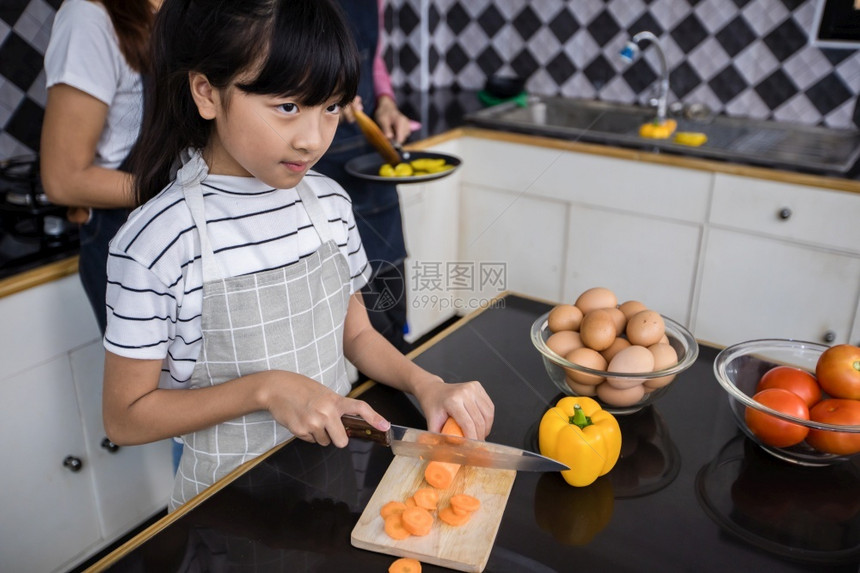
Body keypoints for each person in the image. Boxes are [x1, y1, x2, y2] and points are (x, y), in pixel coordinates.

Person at [101, 0, 494, 512]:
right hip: (230, 511)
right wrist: (266, 390)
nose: (313, 139)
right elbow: (126, 417)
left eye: (330, 107)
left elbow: (355, 334)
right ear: (207, 93)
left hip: (334, 484)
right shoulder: (157, 241)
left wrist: (428, 385)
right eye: (287, 106)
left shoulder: (329, 202)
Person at [41, 0, 161, 335]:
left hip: (202, 240)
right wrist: (179, 192)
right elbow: (64, 180)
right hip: (132, 254)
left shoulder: (195, 12)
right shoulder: (89, 18)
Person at [314, 0, 413, 353]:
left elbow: (371, 61)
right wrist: (320, 95)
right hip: (318, 163)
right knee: (339, 330)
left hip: (370, 161)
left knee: (390, 320)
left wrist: (385, 101)